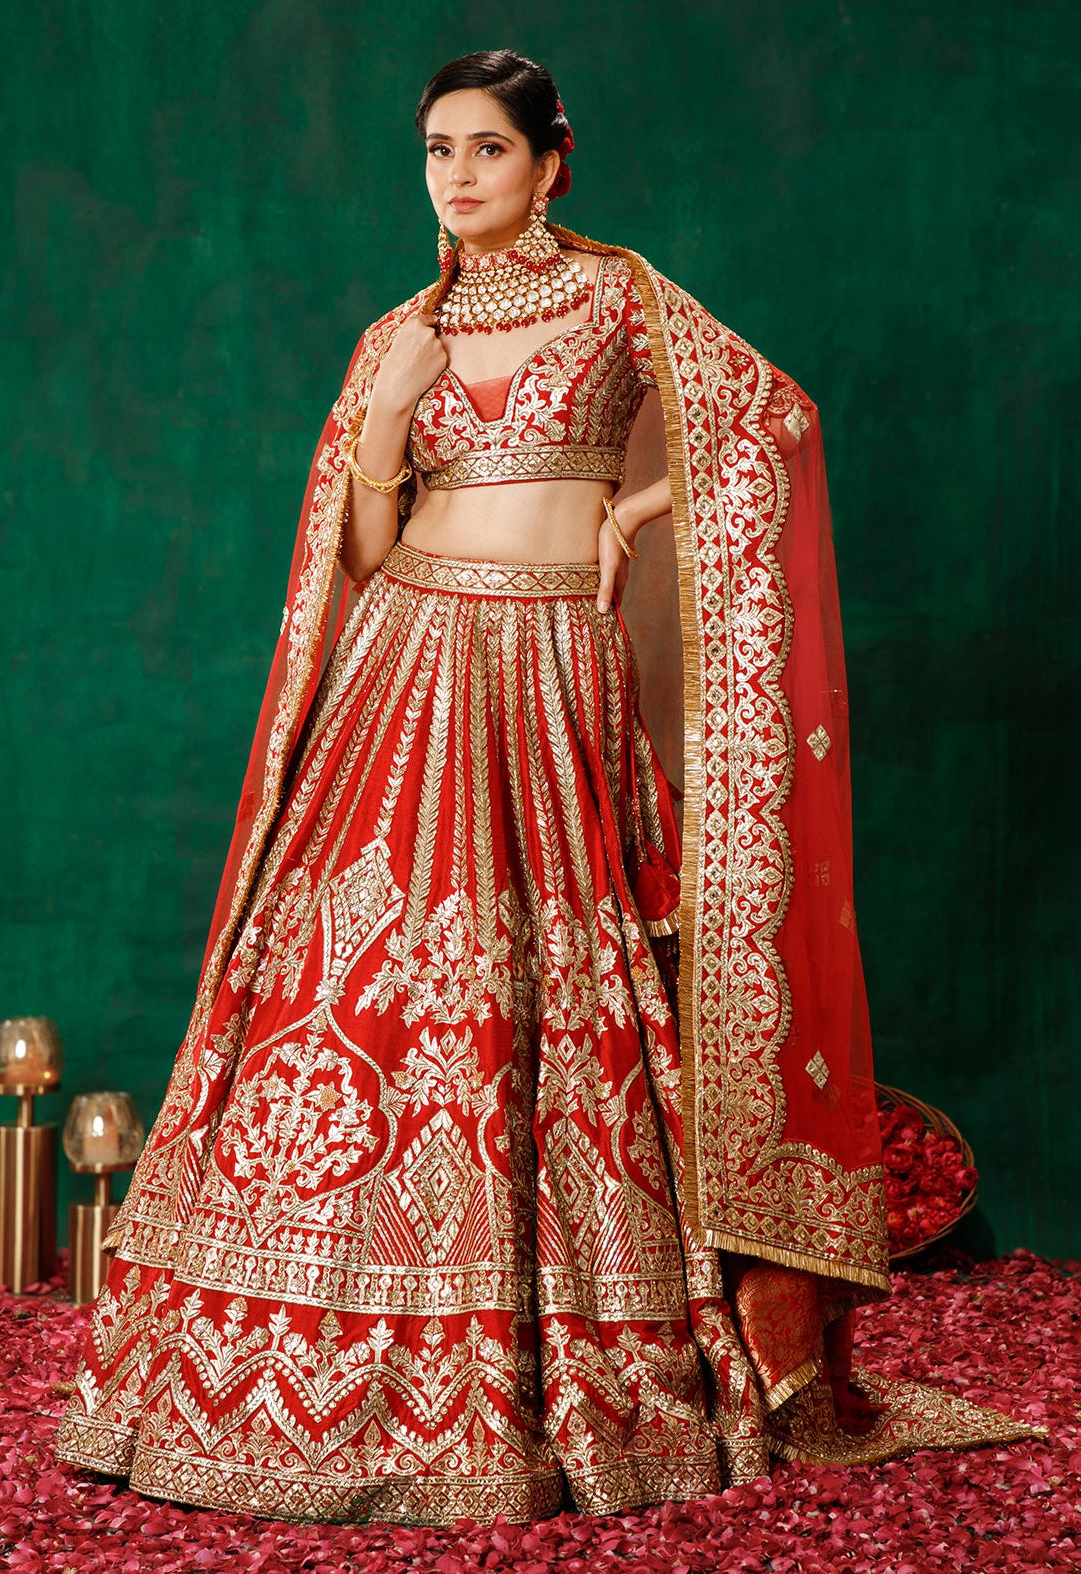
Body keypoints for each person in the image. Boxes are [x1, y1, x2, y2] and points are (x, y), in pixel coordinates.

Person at [55, 49, 1032, 1527]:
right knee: (356, 989)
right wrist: (385, 411)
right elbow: (365, 552)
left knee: (541, 1001)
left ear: (552, 161)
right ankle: (277, 1364)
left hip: (551, 684)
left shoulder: (623, 301)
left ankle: (554, 1361)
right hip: (407, 666)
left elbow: (774, 423)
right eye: (437, 149)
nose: (456, 176)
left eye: (488, 150)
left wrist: (641, 507)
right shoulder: (404, 327)